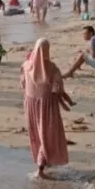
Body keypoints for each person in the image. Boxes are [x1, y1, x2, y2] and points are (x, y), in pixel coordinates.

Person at [20, 38, 73, 179]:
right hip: (48, 108)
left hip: (30, 105)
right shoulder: (52, 68)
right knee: (47, 135)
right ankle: (40, 169)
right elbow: (57, 89)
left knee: (37, 134)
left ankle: (42, 161)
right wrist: (65, 100)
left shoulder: (26, 66)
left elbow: (23, 84)